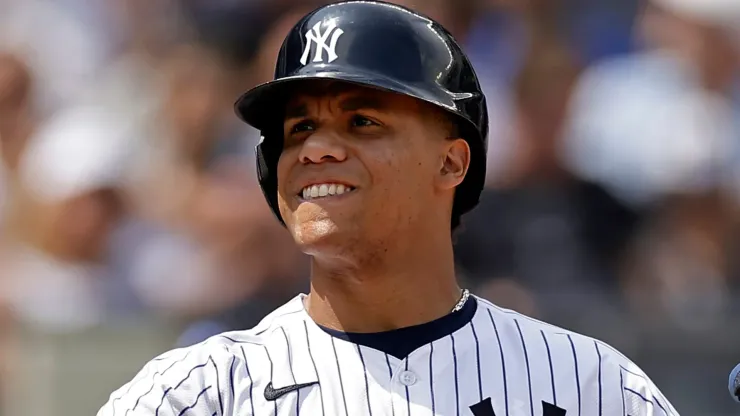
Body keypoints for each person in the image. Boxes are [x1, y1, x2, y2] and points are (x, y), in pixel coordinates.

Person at [97, 2, 679, 415]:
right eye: (299, 127)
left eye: (362, 121)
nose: (316, 148)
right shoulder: (200, 395)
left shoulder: (591, 389)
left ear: (452, 163)